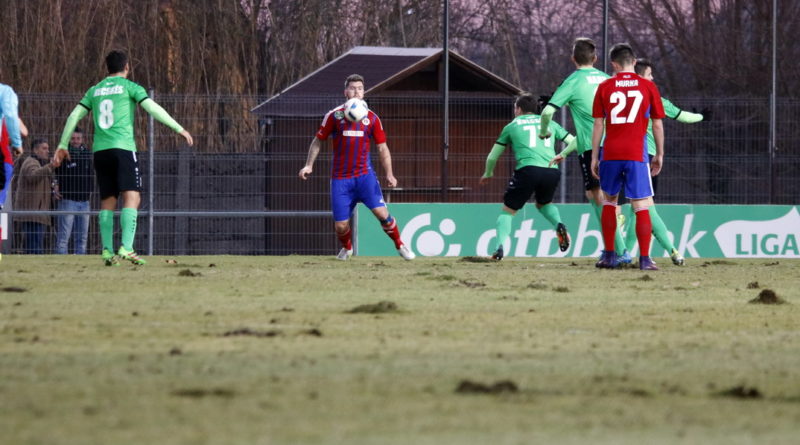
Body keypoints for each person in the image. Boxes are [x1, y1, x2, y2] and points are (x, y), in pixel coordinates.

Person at [54, 50, 193, 266]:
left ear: (106, 68)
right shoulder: (131, 87)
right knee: (132, 197)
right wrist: (178, 128)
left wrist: (62, 144)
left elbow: (74, 115)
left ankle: (107, 251)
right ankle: (127, 248)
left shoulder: (95, 90)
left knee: (108, 200)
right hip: (123, 149)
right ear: (127, 67)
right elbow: (152, 108)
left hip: (100, 152)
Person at [298, 74, 414, 261]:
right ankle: (348, 248)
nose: (356, 91)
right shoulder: (334, 116)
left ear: (363, 92)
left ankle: (400, 244)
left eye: (360, 88)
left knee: (382, 214)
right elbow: (318, 141)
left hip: (364, 177)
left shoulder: (372, 118)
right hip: (341, 179)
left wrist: (390, 174)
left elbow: (382, 147)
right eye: (352, 88)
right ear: (345, 92)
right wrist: (308, 165)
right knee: (341, 226)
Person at [539, 37, 630, 262]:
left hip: (593, 147)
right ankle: (615, 247)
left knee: (597, 196)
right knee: (602, 196)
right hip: (619, 143)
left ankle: (619, 250)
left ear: (573, 59)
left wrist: (543, 132)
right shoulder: (608, 79)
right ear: (596, 58)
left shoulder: (572, 81)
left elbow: (547, 113)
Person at [618, 59, 712, 266]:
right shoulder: (653, 97)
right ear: (641, 75)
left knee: (631, 208)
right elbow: (684, 117)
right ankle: (669, 251)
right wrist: (702, 117)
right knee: (645, 208)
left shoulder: (616, 95)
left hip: (617, 156)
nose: (653, 78)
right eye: (650, 74)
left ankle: (624, 251)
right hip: (644, 160)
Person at [590, 43, 666, 270]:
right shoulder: (647, 86)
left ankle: (610, 256)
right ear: (634, 62)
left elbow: (597, 124)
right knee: (641, 205)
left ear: (613, 64)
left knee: (609, 203)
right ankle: (644, 259)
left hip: (611, 153)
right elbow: (658, 124)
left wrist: (595, 156)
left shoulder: (605, 86)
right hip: (636, 154)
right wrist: (660, 154)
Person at [479, 93, 576, 260]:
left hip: (528, 170)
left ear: (519, 109)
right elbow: (575, 141)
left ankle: (498, 248)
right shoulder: (550, 123)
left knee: (508, 212)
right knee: (544, 203)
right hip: (551, 170)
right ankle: (559, 225)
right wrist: (562, 154)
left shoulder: (512, 126)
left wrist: (488, 172)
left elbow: (492, 156)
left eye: (515, 108)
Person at [53, 127, 93, 255]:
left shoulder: (87, 154)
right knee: (63, 238)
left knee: (82, 238)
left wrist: (89, 192)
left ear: (82, 139)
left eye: (78, 138)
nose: (76, 141)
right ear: (69, 139)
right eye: (73, 138)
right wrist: (54, 185)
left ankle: (80, 264)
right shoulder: (62, 154)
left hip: (84, 202)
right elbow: (55, 173)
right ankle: (60, 265)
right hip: (67, 200)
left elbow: (91, 175)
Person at [13, 139, 56, 254]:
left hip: (36, 212)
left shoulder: (38, 162)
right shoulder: (31, 162)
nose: (47, 151)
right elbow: (32, 176)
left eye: (48, 148)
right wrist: (50, 166)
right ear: (35, 150)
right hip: (32, 213)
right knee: (34, 245)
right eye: (44, 148)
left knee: (35, 243)